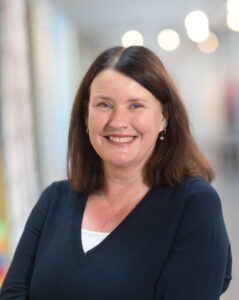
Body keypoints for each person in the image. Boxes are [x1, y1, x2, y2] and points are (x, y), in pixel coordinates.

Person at [0, 46, 232, 300]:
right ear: (86, 115)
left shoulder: (194, 204)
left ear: (164, 116)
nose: (118, 121)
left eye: (135, 106)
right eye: (104, 104)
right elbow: (12, 294)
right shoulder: (54, 200)